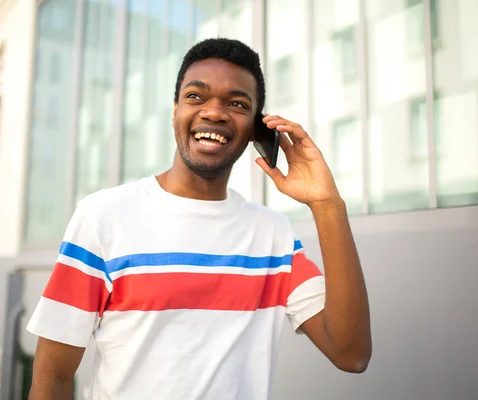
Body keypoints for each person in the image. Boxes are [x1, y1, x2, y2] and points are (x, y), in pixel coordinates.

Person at [26, 38, 372, 400]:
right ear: (175, 110)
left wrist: (327, 204)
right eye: (196, 96)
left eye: (237, 103)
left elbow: (351, 354)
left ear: (258, 128)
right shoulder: (103, 217)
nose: (214, 112)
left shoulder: (273, 235)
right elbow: (52, 379)